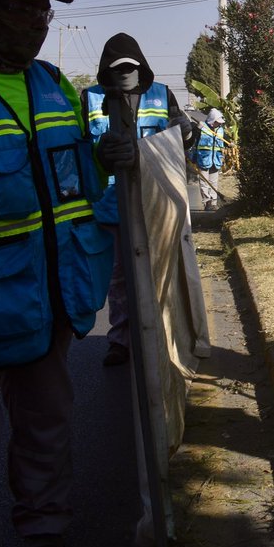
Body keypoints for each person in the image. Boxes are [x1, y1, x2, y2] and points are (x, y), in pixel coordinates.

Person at [0, 0, 125, 547]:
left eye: (44, 10)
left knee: (46, 426)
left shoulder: (53, 86)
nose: (38, 22)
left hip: (44, 300)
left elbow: (81, 181)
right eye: (23, 9)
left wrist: (113, 156)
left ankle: (44, 531)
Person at [83, 33, 195, 367]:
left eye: (131, 67)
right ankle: (120, 340)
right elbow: (79, 151)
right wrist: (98, 154)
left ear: (141, 66)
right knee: (119, 277)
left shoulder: (163, 95)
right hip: (110, 202)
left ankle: (161, 337)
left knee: (161, 271)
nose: (125, 73)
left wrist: (188, 131)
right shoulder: (89, 98)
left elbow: (182, 143)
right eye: (118, 68)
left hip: (156, 199)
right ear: (106, 69)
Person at [190, 107, 227, 210]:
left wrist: (230, 144)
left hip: (216, 159)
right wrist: (197, 129)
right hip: (203, 159)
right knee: (204, 182)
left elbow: (224, 141)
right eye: (217, 122)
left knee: (213, 182)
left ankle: (214, 202)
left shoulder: (220, 130)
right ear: (212, 121)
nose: (219, 124)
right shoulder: (202, 128)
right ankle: (207, 202)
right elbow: (193, 139)